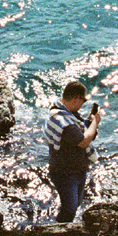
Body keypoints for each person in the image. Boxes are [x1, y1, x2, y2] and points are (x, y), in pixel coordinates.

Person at [43, 80, 101, 222]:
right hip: (65, 172)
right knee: (70, 208)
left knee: (75, 203)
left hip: (77, 168)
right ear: (75, 99)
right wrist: (95, 121)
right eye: (83, 100)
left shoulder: (67, 113)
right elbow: (84, 141)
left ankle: (61, 224)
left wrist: (89, 121)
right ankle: (58, 229)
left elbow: (81, 129)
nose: (83, 104)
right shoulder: (63, 121)